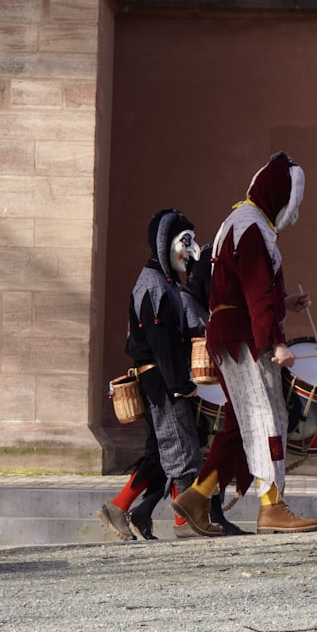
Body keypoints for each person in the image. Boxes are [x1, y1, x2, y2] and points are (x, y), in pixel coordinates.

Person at [172, 151, 317, 535]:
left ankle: (198, 496)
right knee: (267, 416)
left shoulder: (238, 221)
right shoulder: (252, 227)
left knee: (242, 422)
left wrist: (284, 305)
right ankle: (272, 506)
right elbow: (254, 288)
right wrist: (274, 343)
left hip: (232, 332)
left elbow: (233, 289)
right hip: (244, 339)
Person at [99, 208, 213, 541]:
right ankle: (184, 524)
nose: (190, 251)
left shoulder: (161, 283)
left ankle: (122, 508)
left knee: (160, 452)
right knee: (181, 447)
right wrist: (180, 384)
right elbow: (162, 343)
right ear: (166, 244)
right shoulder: (155, 287)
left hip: (159, 377)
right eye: (185, 241)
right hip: (161, 379)